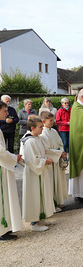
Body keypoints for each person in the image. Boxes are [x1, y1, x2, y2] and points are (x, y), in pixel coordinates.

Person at [22, 117, 54, 231]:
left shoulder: (37, 139)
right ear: (32, 128)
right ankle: (34, 223)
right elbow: (31, 160)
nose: (42, 129)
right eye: (40, 127)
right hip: (33, 173)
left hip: (39, 171)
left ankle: (41, 217)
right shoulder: (29, 141)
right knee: (35, 195)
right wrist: (44, 161)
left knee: (41, 194)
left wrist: (45, 159)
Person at [0, 101, 23, 240]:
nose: (7, 113)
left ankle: (6, 226)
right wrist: (14, 158)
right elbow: (1, 152)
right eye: (4, 110)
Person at [39, 111, 68, 211]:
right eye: (50, 120)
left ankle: (59, 201)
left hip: (57, 159)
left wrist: (61, 151)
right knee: (51, 183)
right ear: (44, 121)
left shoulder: (54, 131)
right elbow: (46, 150)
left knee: (58, 181)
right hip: (51, 161)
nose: (53, 122)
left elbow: (60, 143)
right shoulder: (42, 133)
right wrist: (59, 153)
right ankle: (52, 205)